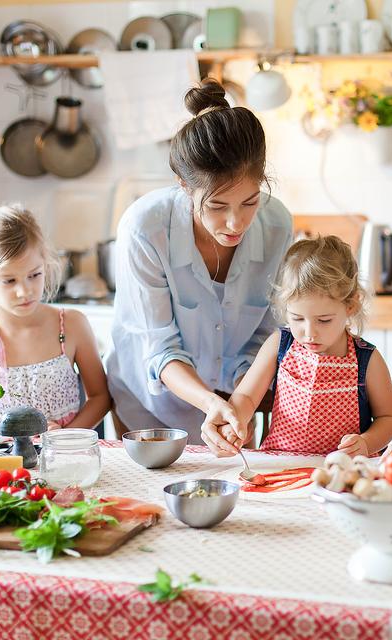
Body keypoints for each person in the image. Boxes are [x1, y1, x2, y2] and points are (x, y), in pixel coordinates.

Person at [106, 79, 293, 441]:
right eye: (217, 206)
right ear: (184, 185)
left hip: (236, 397)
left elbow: (266, 335)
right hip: (152, 403)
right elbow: (160, 349)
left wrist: (241, 401)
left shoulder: (277, 225)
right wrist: (212, 403)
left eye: (250, 202)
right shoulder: (146, 228)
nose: (236, 222)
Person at [201, 236, 392, 457]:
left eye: (324, 320)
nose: (309, 333)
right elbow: (246, 397)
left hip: (342, 472)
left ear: (351, 305)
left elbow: (389, 418)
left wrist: (366, 443)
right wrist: (234, 421)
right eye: (297, 318)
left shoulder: (367, 359)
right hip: (280, 463)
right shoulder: (279, 344)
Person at [0, 205, 110, 429]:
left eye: (34, 275)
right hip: (0, 460)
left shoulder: (72, 325)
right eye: (9, 280)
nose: (25, 291)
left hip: (62, 457)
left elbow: (100, 397)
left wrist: (64, 437)